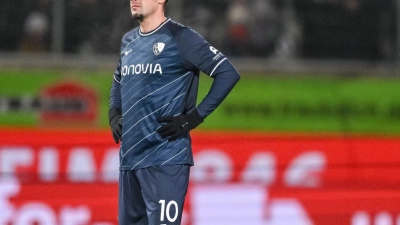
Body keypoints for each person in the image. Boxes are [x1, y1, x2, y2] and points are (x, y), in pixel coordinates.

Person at [108, 0, 240, 224]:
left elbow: (227, 73)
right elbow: (118, 80)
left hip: (165, 159)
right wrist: (114, 113)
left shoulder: (181, 38)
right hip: (130, 159)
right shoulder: (128, 41)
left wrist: (193, 118)